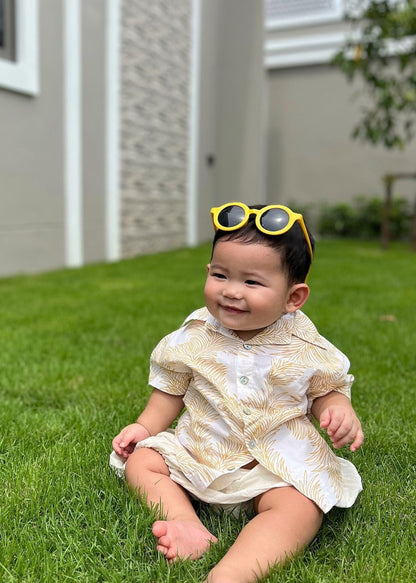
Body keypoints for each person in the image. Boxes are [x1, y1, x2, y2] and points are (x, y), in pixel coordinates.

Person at [110, 202, 364, 583]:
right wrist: (145, 428)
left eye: (252, 282)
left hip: (273, 465)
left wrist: (339, 409)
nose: (231, 292)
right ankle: (186, 523)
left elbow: (327, 389)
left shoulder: (305, 345)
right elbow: (171, 389)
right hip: (200, 453)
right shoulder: (195, 334)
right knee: (141, 464)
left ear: (293, 298)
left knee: (301, 506)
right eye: (221, 275)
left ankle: (234, 573)